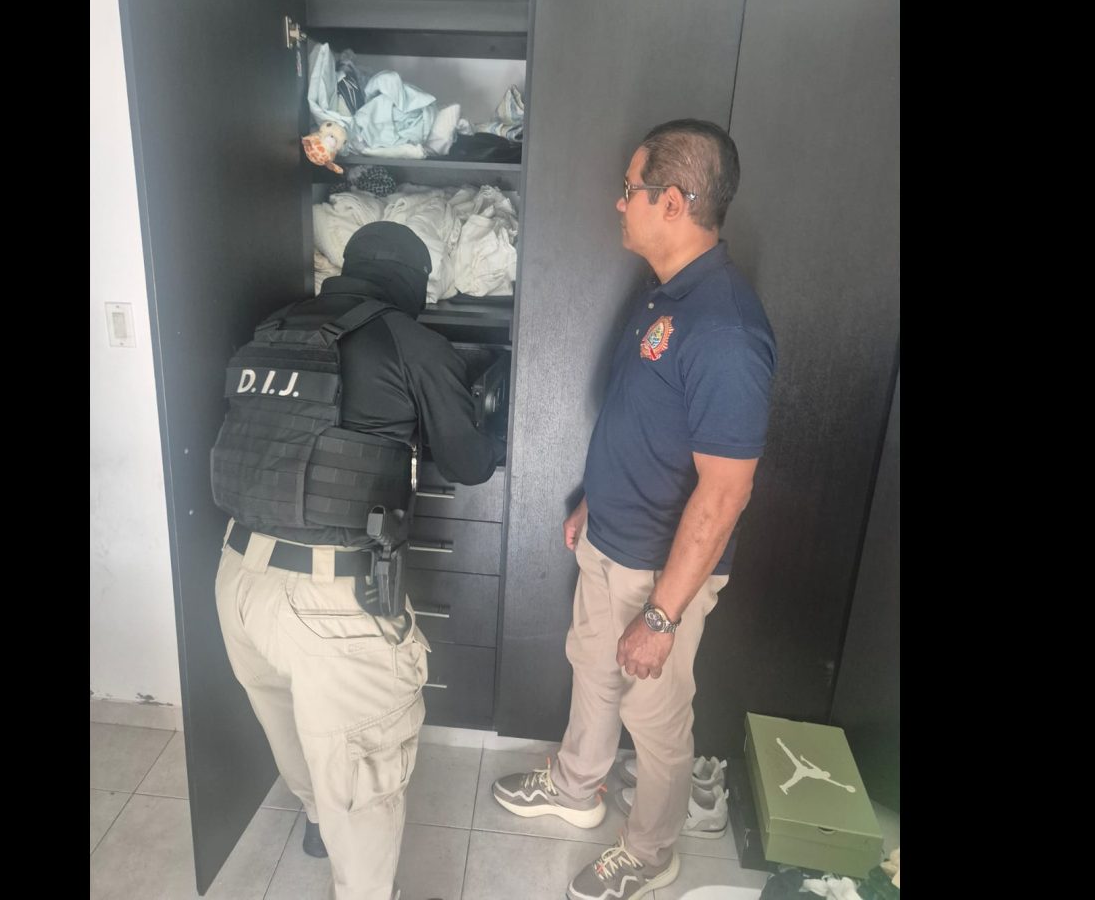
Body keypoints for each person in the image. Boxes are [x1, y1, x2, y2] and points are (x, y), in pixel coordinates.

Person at [489, 119, 776, 900]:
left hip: (660, 574)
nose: (619, 203)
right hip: (611, 539)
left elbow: (725, 492)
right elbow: (645, 421)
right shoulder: (666, 293)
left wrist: (661, 616)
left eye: (630, 190)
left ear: (673, 202)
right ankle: (576, 785)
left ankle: (651, 851)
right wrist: (594, 499)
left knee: (656, 720)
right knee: (592, 671)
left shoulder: (725, 329)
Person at [212, 220, 504, 900]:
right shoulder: (411, 341)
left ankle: (317, 823)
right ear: (414, 284)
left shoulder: (273, 330)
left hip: (238, 579)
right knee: (363, 774)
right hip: (329, 603)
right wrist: (484, 411)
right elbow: (469, 462)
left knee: (292, 725)